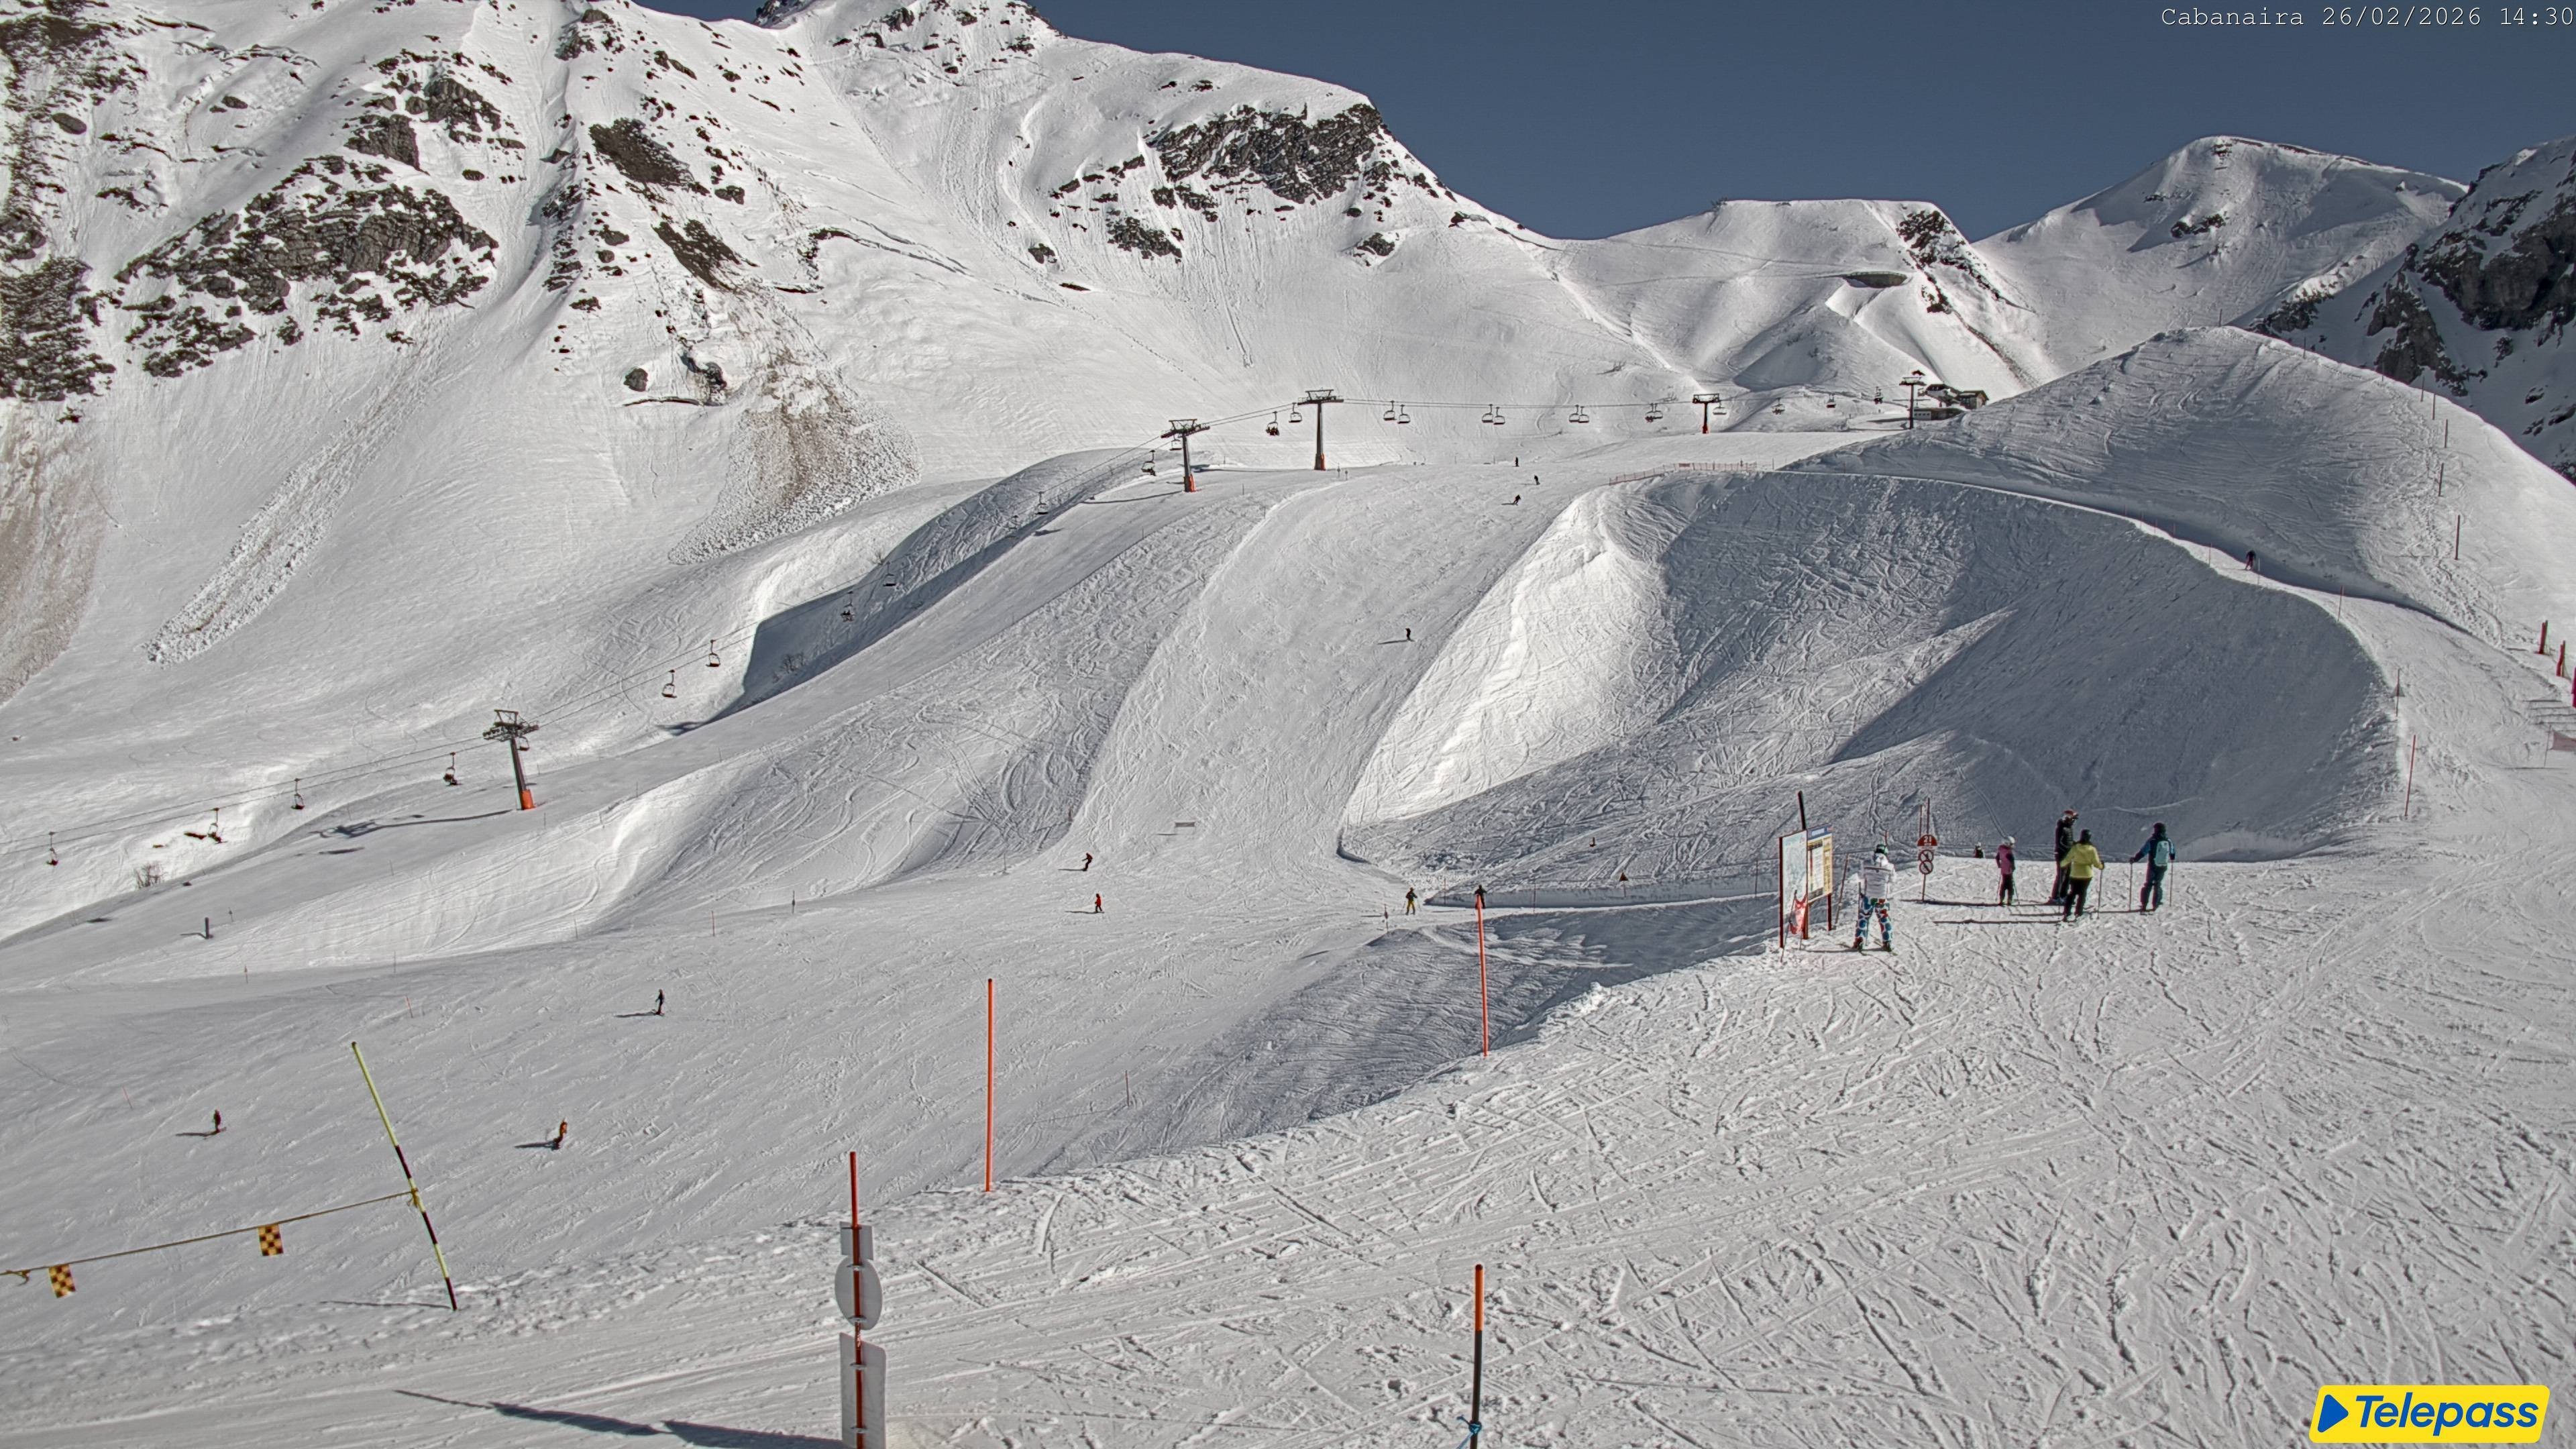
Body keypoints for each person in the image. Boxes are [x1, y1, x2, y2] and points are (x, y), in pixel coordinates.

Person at [1850, 845, 1896, 951]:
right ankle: (1888, 941)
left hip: (1868, 895)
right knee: (1884, 918)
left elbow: (1861, 876)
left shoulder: (1866, 864)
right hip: (1882, 897)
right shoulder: (1890, 867)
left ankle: (1860, 941)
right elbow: (1893, 880)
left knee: (1864, 917)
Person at [2131, 823, 2177, 912]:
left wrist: (2135, 859)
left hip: (2153, 866)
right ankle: (2156, 904)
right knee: (2158, 884)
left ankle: (2144, 904)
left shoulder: (2152, 841)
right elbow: (2172, 854)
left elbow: (2143, 852)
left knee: (2148, 884)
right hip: (2163, 866)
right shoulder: (2168, 841)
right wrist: (2171, 858)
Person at [2059, 830, 2102, 920]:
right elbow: (2096, 863)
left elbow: (2068, 859)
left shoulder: (2075, 848)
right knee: (2082, 893)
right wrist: (2101, 866)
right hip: (2087, 874)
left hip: (2075, 873)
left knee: (2072, 893)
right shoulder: (2092, 849)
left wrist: (2062, 864)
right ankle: (2079, 912)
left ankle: (2067, 912)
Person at [2049, 809, 2078, 905]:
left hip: (2068, 856)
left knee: (2068, 876)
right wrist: (2068, 851)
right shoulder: (2061, 828)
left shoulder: (2069, 828)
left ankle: (2063, 895)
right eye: (2073, 819)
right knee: (2062, 876)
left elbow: (2070, 841)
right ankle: (2056, 897)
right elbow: (2059, 843)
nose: (2074, 822)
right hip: (2062, 855)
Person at [1995, 837, 2017, 905]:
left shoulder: (2001, 850)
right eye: (2011, 844)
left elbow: (1997, 858)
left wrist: (1999, 865)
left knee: (2004, 885)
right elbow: (2012, 861)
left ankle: (2002, 900)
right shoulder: (2008, 852)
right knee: (2010, 886)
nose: (2012, 846)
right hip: (2009, 870)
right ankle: (2010, 900)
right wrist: (2013, 867)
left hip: (2003, 870)